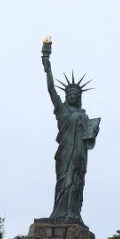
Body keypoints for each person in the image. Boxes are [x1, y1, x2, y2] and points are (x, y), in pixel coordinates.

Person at [42, 37, 100, 222]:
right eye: (69, 94)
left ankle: (73, 213)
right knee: (63, 182)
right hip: (64, 153)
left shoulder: (83, 115)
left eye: (76, 94)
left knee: (76, 183)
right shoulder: (62, 111)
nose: (72, 96)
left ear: (79, 97)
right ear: (66, 96)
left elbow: (87, 139)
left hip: (79, 155)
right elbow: (51, 89)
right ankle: (58, 213)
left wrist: (93, 134)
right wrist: (47, 65)